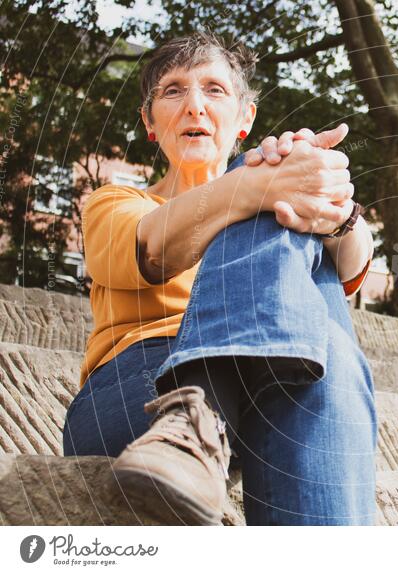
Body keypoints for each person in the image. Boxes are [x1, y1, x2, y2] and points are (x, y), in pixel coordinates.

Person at [62, 32, 377, 525]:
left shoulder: (273, 184)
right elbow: (150, 250)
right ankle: (189, 418)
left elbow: (355, 265)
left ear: (245, 118)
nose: (194, 106)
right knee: (263, 210)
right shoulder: (115, 201)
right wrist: (254, 185)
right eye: (172, 91)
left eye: (214, 89)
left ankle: (198, 427)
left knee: (328, 347)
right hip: (137, 391)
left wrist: (329, 202)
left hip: (280, 375)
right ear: (150, 122)